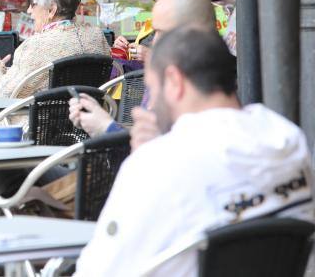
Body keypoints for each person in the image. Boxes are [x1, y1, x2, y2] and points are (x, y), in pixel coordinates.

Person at [74, 27, 314, 277]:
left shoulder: (156, 163)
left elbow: (96, 269)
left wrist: (152, 157)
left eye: (152, 89)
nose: (152, 103)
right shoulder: (288, 138)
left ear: (175, 81)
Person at [69, 0, 216, 140]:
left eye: (162, 32)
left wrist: (105, 127)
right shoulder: (188, 77)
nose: (156, 39)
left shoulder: (184, 87)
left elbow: (149, 152)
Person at [0, 0, 110, 100]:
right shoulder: (97, 36)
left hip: (39, 120)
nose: (29, 10)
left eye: (33, 4)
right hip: (90, 118)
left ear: (51, 10)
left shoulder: (35, 46)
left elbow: (0, 94)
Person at [111, 0, 218, 62]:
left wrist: (150, 56)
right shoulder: (151, 27)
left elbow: (198, 67)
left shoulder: (199, 29)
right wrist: (126, 50)